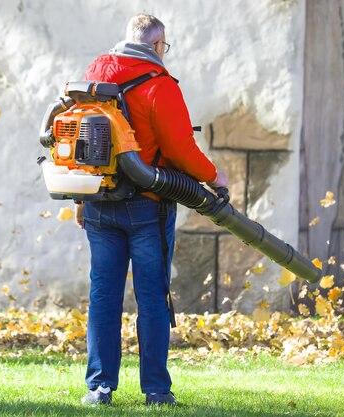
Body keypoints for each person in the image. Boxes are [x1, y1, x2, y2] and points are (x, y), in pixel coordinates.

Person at [76, 13, 228, 406]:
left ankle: (99, 388)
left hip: (98, 200)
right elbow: (180, 149)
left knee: (103, 297)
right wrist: (215, 177)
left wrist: (80, 199)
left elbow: (81, 134)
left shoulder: (95, 72)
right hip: (148, 207)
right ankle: (157, 391)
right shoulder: (160, 85)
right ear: (158, 46)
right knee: (152, 299)